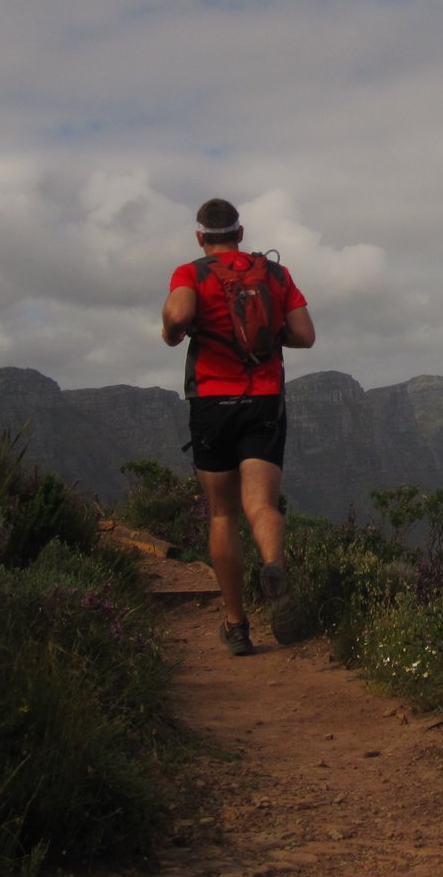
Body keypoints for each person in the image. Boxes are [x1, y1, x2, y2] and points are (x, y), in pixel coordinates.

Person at [161, 198, 316, 656]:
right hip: (264, 399)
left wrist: (174, 334)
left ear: (200, 237)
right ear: (241, 233)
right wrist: (268, 334)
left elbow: (177, 317)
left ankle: (237, 624)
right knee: (261, 504)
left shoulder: (191, 273)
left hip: (213, 401)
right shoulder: (274, 275)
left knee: (224, 512)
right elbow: (305, 334)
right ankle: (273, 566)